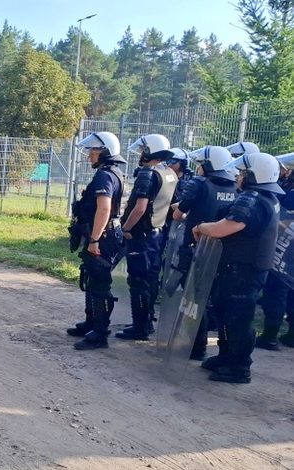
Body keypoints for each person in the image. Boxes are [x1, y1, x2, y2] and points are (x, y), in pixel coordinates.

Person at [194, 152, 282, 384]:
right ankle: (226, 357)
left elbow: (224, 228)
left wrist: (202, 226)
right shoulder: (267, 198)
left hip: (244, 270)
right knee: (226, 313)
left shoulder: (252, 199)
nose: (238, 176)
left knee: (238, 319)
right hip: (243, 268)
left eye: (243, 173)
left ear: (254, 175)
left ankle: (239, 367)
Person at [170, 146, 239, 360]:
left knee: (193, 298)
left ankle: (195, 347)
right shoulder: (235, 186)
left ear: (208, 165)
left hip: (196, 246)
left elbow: (179, 214)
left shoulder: (199, 184)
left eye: (201, 163)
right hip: (222, 252)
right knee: (211, 300)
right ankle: (212, 349)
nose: (198, 168)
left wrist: (178, 210)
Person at [66, 132, 126, 350]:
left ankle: (100, 334)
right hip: (105, 235)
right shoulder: (113, 173)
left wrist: (94, 239)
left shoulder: (105, 176)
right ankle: (91, 324)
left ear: (105, 151)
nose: (90, 154)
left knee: (100, 285)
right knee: (91, 279)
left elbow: (105, 208)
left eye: (94, 150)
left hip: (102, 237)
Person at [117, 134, 178, 340]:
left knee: (138, 281)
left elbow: (140, 208)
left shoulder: (148, 174)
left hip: (141, 235)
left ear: (151, 151)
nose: (141, 154)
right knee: (151, 280)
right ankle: (147, 322)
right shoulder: (169, 172)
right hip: (157, 234)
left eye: (144, 150)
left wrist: (124, 228)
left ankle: (140, 327)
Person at [256, 159, 294, 350]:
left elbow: (285, 219)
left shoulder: (291, 195)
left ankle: (270, 336)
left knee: (276, 291)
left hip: (286, 248)